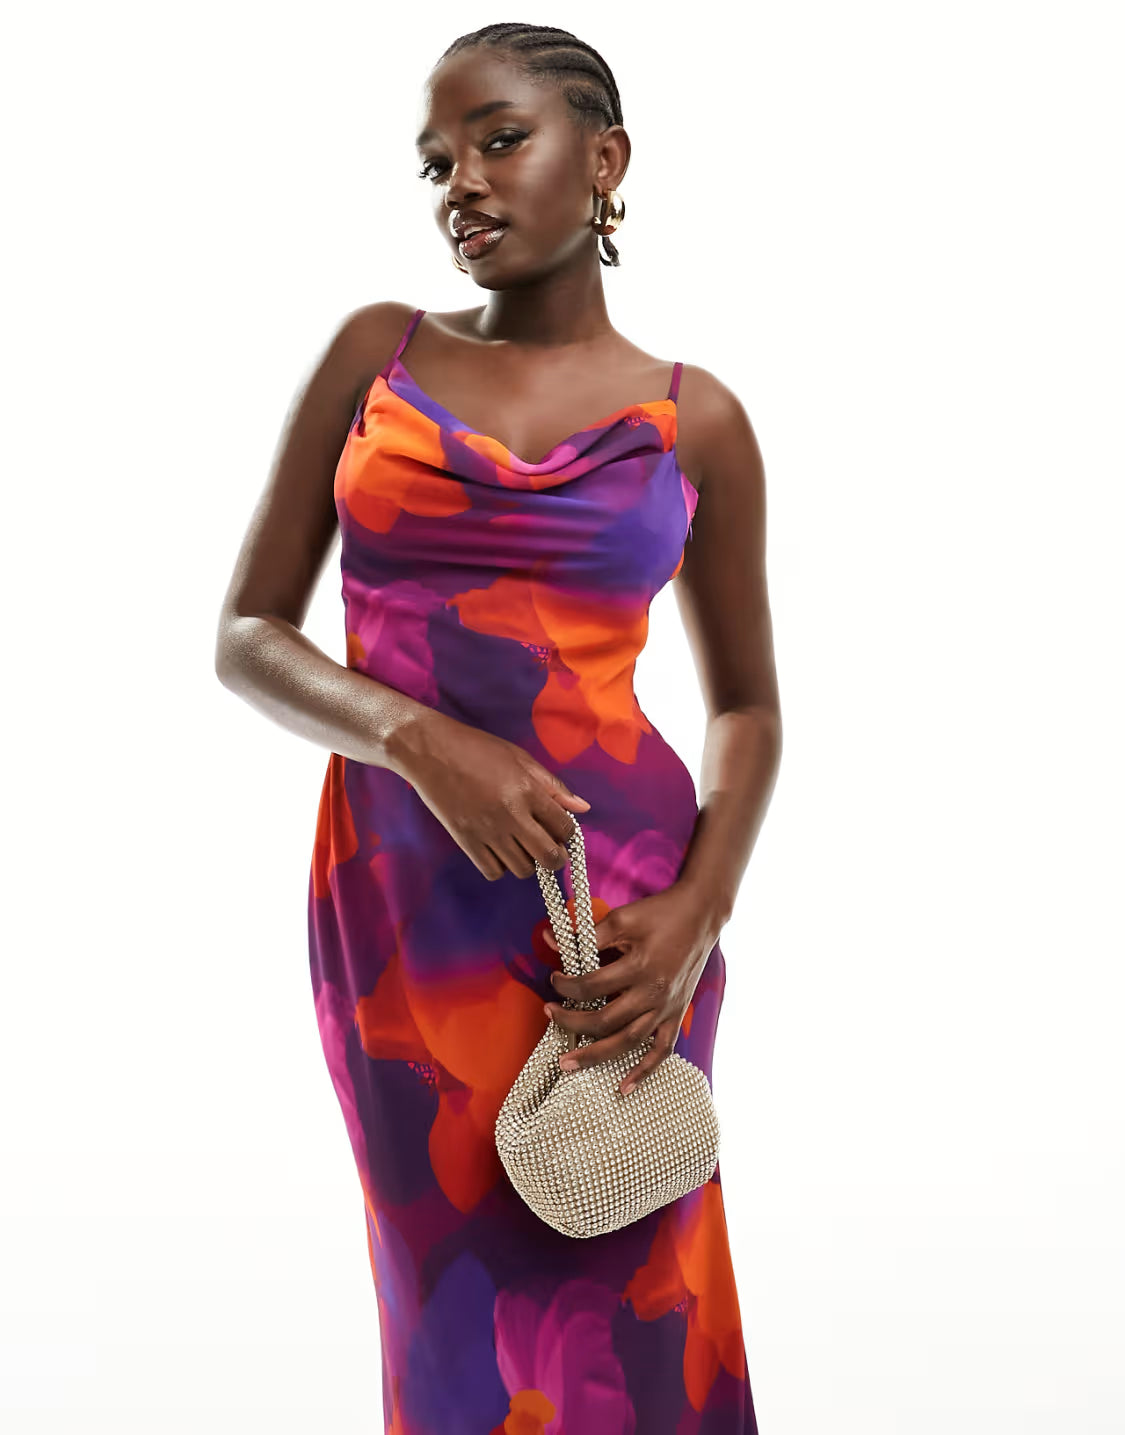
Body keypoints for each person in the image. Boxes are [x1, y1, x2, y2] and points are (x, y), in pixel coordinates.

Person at [215, 21, 781, 1435]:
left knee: (637, 1291)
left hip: (618, 918)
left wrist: (700, 909)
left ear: (606, 161)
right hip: (407, 912)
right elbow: (249, 635)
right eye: (436, 163)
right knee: (446, 1304)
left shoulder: (694, 420)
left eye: (499, 139)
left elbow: (745, 704)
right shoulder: (377, 354)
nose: (461, 182)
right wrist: (414, 739)